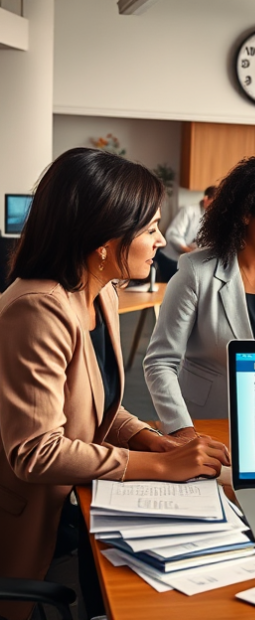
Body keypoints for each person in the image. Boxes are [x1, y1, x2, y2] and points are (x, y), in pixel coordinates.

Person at [0, 148, 229, 620]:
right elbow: (36, 451)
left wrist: (153, 441)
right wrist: (160, 468)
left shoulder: (100, 290)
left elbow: (94, 402)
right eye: (149, 229)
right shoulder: (37, 308)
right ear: (103, 239)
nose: (162, 240)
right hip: (22, 517)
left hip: (68, 502)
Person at [144, 155, 255, 439]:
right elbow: (160, 362)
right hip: (207, 423)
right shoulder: (196, 270)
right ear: (246, 214)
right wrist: (182, 430)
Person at [154, 185, 217, 280]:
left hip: (189, 261)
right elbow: (173, 234)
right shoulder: (188, 210)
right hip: (171, 260)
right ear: (206, 199)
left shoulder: (210, 216)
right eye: (214, 202)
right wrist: (188, 250)